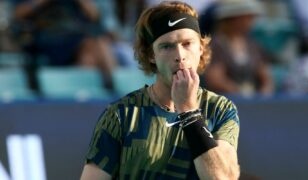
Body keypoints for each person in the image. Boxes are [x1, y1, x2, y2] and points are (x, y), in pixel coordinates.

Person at [80, 1, 240, 179]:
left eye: (187, 43)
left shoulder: (221, 109)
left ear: (201, 48)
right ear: (151, 55)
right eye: (167, 46)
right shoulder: (120, 115)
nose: (180, 56)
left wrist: (188, 111)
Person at [201, 0, 274, 97]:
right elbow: (215, 80)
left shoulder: (252, 44)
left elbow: (265, 76)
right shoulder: (215, 45)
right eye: (247, 17)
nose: (251, 21)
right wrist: (241, 94)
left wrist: (264, 94)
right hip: (223, 104)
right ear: (233, 19)